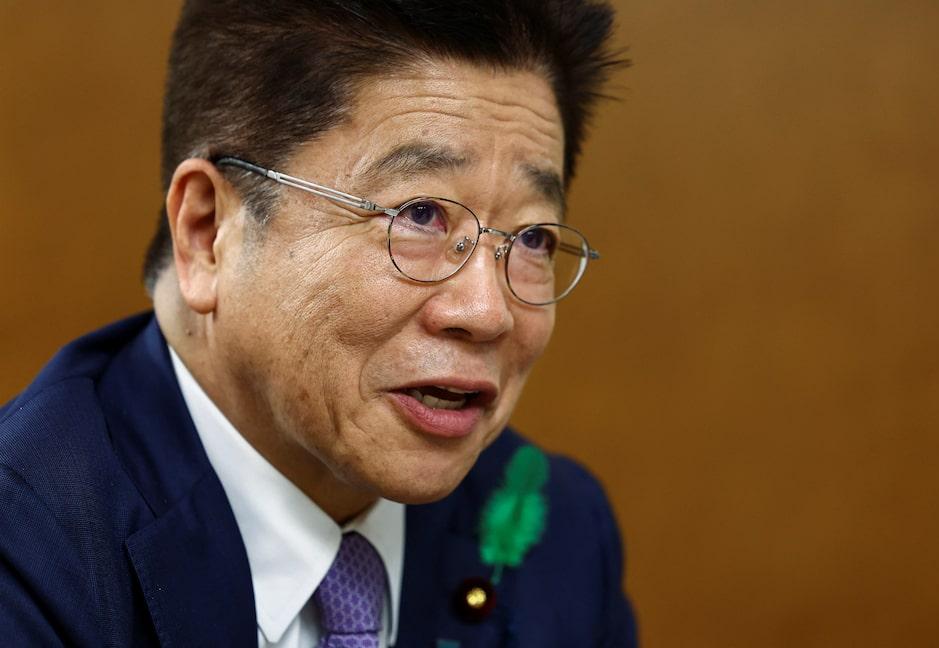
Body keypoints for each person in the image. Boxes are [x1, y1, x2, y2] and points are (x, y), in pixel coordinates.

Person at [0, 1, 637, 646]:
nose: (487, 313)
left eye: (531, 237)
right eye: (418, 215)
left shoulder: (562, 537)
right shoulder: (25, 547)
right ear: (207, 231)